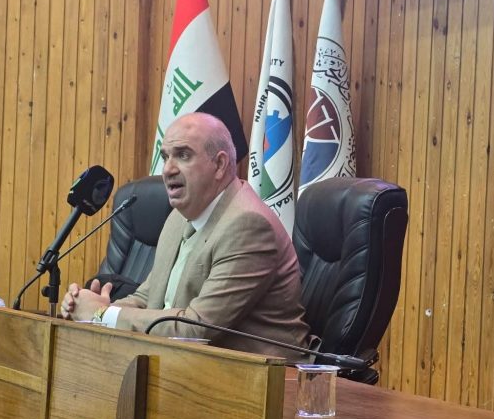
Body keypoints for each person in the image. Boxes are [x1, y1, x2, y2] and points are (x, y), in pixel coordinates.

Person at [61, 112, 310, 360]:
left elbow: (195, 329)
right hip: (193, 364)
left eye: (183, 155)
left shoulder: (248, 225)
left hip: (266, 376)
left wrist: (102, 315)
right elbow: (148, 297)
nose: (168, 169)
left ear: (219, 165)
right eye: (165, 157)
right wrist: (91, 307)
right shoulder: (178, 217)